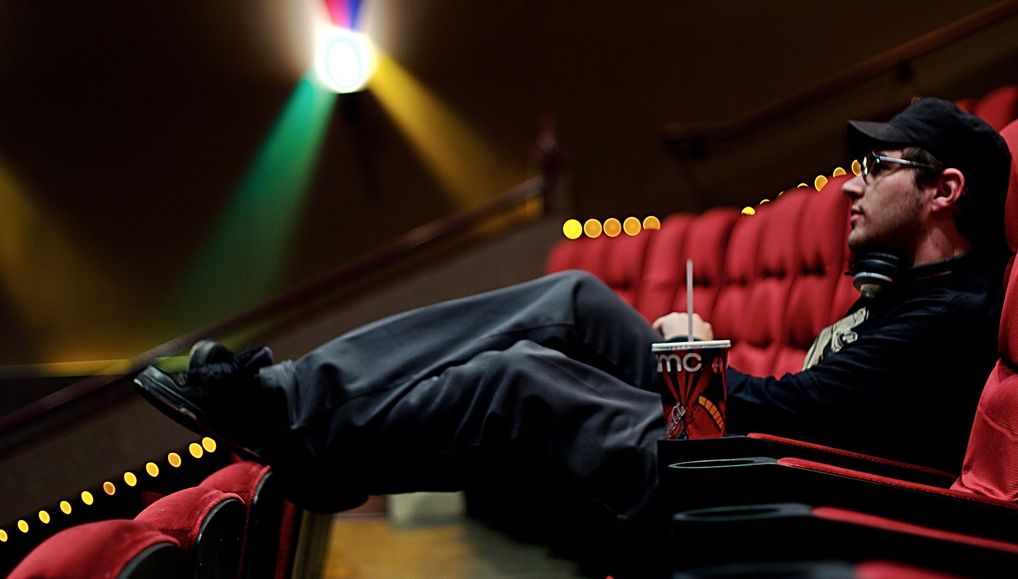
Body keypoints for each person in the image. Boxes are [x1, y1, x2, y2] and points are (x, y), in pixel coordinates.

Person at [135, 98, 1011, 563]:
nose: (853, 184)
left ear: (945, 191)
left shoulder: (950, 314)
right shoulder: (904, 293)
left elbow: (790, 418)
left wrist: (687, 359)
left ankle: (307, 435)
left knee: (523, 376)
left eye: (880, 166)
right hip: (731, 455)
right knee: (577, 302)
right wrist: (686, 359)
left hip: (751, 491)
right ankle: (294, 406)